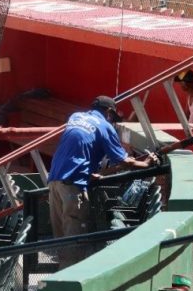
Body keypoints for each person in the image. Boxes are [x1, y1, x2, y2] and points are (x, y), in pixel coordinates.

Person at [47, 95, 158, 267]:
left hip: (54, 180)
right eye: (112, 115)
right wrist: (145, 163)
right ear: (109, 112)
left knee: (60, 236)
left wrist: (89, 173)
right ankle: (71, 282)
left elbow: (78, 146)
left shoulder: (75, 117)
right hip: (73, 185)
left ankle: (59, 278)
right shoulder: (105, 127)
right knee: (74, 237)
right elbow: (123, 160)